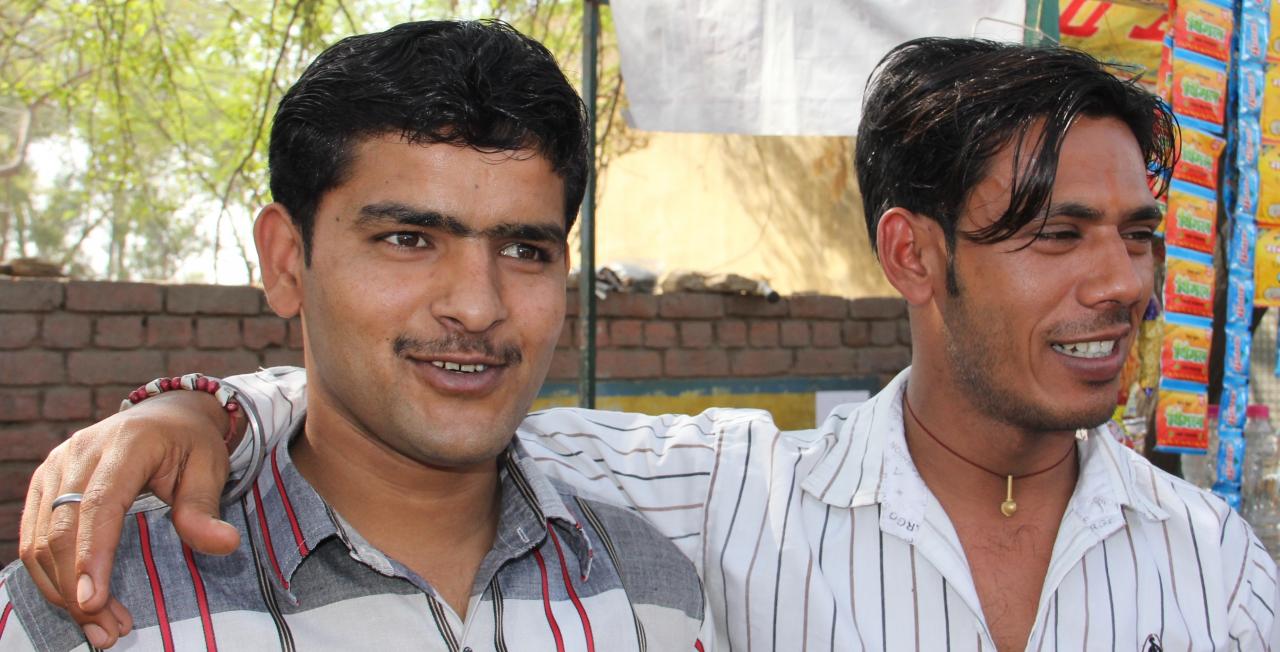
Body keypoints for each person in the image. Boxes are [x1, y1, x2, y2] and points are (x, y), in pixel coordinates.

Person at [19, 37, 1279, 650]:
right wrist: (198, 409)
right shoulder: (720, 501)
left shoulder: (1216, 565)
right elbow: (420, 413)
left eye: (1138, 235)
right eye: (1055, 235)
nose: (1121, 283)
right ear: (910, 255)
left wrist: (193, 408)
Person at [0, 19, 710, 651]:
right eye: (408, 239)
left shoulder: (648, 590)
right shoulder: (89, 611)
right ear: (287, 261)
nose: (476, 306)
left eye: (525, 250)